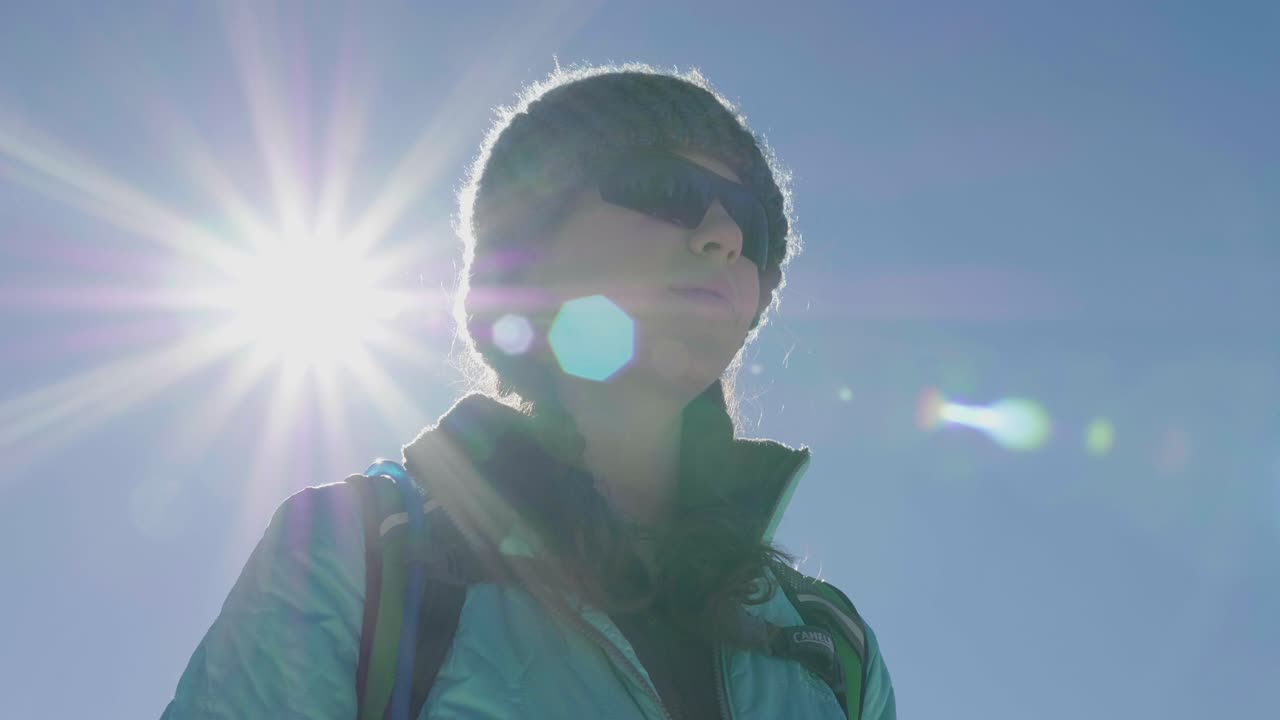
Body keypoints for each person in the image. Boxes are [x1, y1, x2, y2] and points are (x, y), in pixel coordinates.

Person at [161, 64, 896, 719]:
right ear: (531, 249)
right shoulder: (360, 556)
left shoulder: (830, 647)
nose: (723, 235)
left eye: (754, 226)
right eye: (668, 191)